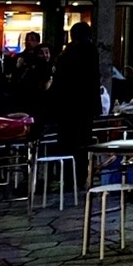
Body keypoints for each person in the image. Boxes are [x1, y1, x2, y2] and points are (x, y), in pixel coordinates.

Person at [48, 22, 102, 188]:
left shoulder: (67, 54)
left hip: (67, 106)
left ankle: (68, 177)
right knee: (82, 143)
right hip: (84, 105)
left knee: (67, 143)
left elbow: (58, 81)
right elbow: (93, 80)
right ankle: (80, 177)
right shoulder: (91, 51)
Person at [9, 33, 53, 125]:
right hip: (33, 104)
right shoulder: (28, 64)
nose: (45, 55)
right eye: (41, 53)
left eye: (47, 52)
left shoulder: (52, 66)